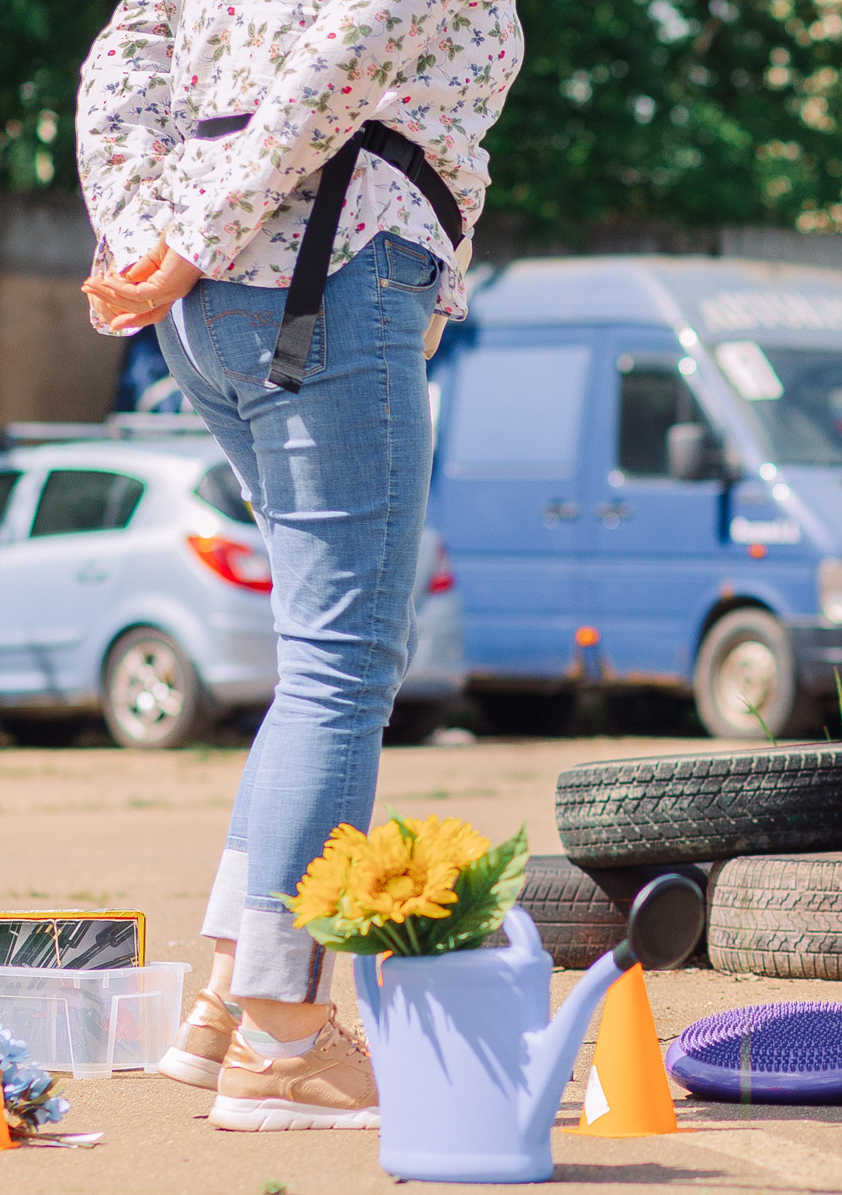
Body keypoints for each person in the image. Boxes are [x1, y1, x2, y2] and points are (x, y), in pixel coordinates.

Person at [75, 1, 523, 1130]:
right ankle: (285, 1043)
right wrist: (185, 243)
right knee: (344, 667)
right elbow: (339, 66)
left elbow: (124, 60)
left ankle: (226, 1004)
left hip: (214, 306)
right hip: (322, 277)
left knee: (313, 661)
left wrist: (150, 241)